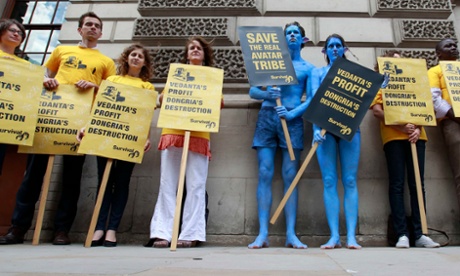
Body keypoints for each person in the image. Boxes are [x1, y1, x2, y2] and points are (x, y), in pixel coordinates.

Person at [0, 12, 116, 246]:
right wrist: (47, 80)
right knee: (32, 175)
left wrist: (94, 85)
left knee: (72, 179)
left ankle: (62, 230)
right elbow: (44, 74)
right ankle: (18, 228)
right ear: (79, 29)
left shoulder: (106, 62)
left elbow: (110, 94)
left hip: (79, 124)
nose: (92, 28)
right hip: (50, 117)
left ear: (101, 33)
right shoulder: (61, 52)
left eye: (96, 26)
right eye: (88, 25)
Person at [76, 44, 155, 247]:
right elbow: (99, 108)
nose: (136, 58)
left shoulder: (147, 87)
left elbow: (145, 116)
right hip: (106, 137)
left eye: (140, 56)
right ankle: (99, 227)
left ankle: (112, 229)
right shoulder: (111, 81)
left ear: (144, 62)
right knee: (104, 181)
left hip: (130, 140)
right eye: (133, 55)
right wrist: (87, 127)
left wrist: (146, 137)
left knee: (121, 183)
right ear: (126, 58)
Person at [148, 36, 223, 248]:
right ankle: (163, 232)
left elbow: (218, 103)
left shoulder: (211, 77)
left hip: (198, 135)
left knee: (196, 185)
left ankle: (190, 233)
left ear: (204, 53)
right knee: (167, 184)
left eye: (199, 48)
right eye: (191, 48)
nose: (195, 50)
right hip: (173, 132)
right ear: (186, 53)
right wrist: (161, 98)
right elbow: (160, 100)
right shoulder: (177, 74)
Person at [248, 21, 315, 249]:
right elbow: (253, 91)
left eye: (296, 32)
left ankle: (290, 234)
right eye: (289, 33)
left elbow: (312, 99)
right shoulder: (270, 63)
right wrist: (268, 95)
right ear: (283, 38)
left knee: (290, 175)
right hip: (268, 117)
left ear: (303, 39)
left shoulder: (308, 68)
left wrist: (293, 112)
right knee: (264, 172)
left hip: (292, 121)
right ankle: (263, 234)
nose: (292, 35)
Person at [371, 50, 440, 248]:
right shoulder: (382, 83)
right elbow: (377, 110)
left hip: (417, 137)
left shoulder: (417, 83)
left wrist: (417, 128)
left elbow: (425, 108)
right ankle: (402, 233)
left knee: (417, 185)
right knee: (397, 184)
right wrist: (400, 126)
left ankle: (420, 233)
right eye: (392, 61)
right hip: (393, 137)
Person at [309, 34, 361, 249]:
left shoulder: (355, 73)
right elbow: (313, 99)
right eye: (331, 46)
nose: (335, 49)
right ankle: (334, 236)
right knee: (329, 180)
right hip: (324, 129)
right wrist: (314, 129)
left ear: (344, 49)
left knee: (349, 180)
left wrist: (381, 84)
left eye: (338, 45)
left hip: (350, 127)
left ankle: (351, 236)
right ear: (325, 51)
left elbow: (364, 96)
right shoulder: (317, 72)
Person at [428, 38, 460, 217]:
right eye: (448, 46)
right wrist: (454, 116)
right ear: (439, 53)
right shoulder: (435, 71)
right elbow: (434, 98)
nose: (454, 48)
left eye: (455, 45)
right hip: (453, 123)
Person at [0, 19, 28, 176]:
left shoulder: (24, 65)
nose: (17, 34)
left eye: (20, 33)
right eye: (12, 30)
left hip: (5, 124)